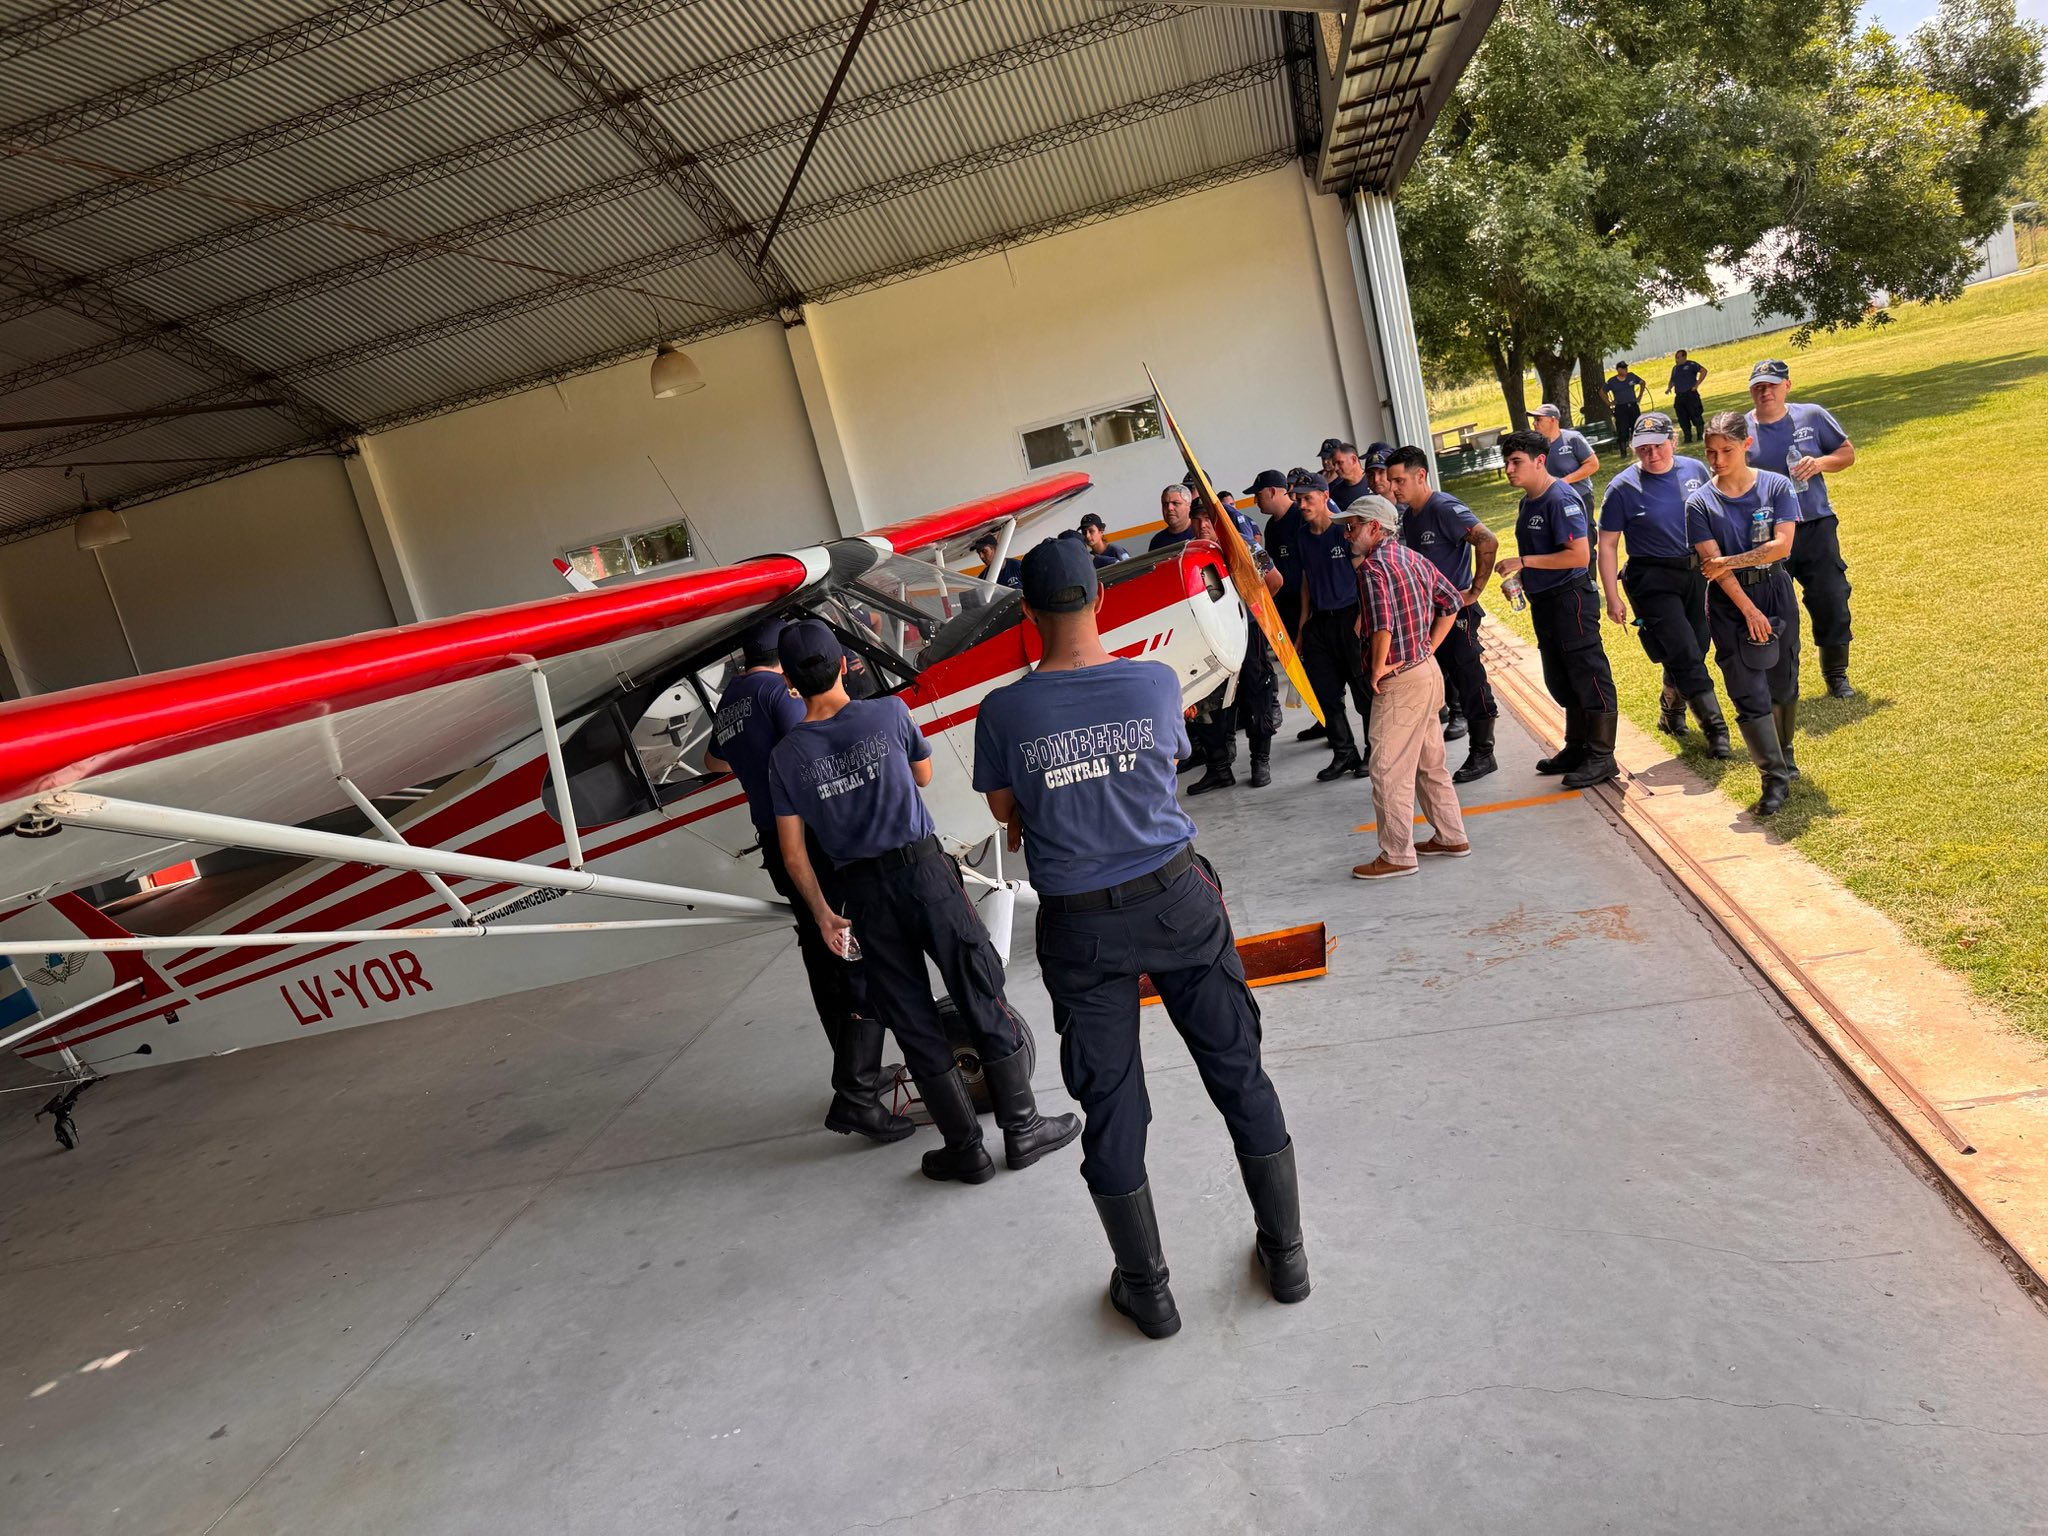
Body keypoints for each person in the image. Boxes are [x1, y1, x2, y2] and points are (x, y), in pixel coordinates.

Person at [973, 538, 1304, 1339]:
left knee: (1113, 1108)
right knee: (1240, 1075)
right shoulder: (1154, 682)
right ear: (1098, 601)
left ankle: (1147, 1292)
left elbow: (1001, 811)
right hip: (1177, 902)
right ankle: (1287, 1257)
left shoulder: (1005, 710)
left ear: (1027, 613)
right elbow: (1161, 766)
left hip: (1082, 926)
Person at [767, 619, 1079, 1183]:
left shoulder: (785, 757)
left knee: (911, 1019)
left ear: (789, 684)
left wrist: (822, 915)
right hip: (924, 873)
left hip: (861, 894)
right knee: (978, 986)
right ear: (843, 664)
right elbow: (924, 774)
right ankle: (1023, 1128)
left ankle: (967, 1149)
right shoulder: (887, 713)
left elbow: (793, 856)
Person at [701, 619, 912, 1145]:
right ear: (785, 663)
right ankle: (856, 1094)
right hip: (809, 840)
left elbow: (712, 760)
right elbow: (814, 740)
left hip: (773, 841)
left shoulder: (732, 699)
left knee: (823, 956)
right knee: (855, 949)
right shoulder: (775, 691)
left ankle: (855, 1068)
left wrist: (756, 768)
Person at [1348, 496, 1472, 879]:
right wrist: (1428, 648)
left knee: (1387, 769)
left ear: (1374, 528)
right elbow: (1452, 602)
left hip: (1402, 682)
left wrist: (1378, 668)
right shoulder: (1412, 557)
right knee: (1429, 762)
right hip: (1426, 671)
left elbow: (1383, 624)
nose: (1348, 532)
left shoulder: (1373, 568)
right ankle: (1451, 836)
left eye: (1353, 525)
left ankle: (1397, 856)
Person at [1596, 412, 1732, 759]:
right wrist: (1611, 597)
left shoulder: (1695, 471)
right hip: (1651, 579)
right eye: (1643, 448)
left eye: (1658, 446)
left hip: (1697, 573)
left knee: (1697, 647)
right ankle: (1716, 730)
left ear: (1672, 441)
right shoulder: (1622, 488)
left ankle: (1670, 711)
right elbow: (1608, 544)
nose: (1651, 454)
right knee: (1684, 650)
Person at [1687, 411, 1804, 815]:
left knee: (1784, 681)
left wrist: (1730, 561)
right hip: (1731, 603)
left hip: (1776, 589)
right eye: (1710, 453)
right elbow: (1711, 568)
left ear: (1746, 445)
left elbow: (1781, 547)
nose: (1717, 460)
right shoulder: (1699, 502)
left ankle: (1785, 757)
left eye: (1726, 451)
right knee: (1747, 688)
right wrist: (1748, 608)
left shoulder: (1777, 486)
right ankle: (1773, 777)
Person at [1497, 429, 1620, 788]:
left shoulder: (1559, 498)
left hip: (1571, 599)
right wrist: (1523, 575)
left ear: (1539, 461)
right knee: (1561, 678)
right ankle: (1577, 746)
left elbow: (1579, 556)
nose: (1509, 469)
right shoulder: (1528, 502)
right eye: (1506, 462)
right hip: (1545, 601)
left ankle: (1602, 756)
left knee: (1588, 673)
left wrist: (1524, 561)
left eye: (1516, 462)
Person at [1384, 445, 1501, 783]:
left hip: (1457, 615)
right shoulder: (1410, 515)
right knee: (1448, 680)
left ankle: (1484, 752)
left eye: (1399, 480)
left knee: (1470, 679)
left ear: (1421, 475)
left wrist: (1473, 592)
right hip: (1431, 617)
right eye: (1391, 482)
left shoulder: (1444, 507)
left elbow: (1488, 540)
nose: (1394, 488)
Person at [1744, 359, 1859, 697]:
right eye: (1758, 386)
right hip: (1766, 531)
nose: (1765, 392)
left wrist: (1820, 462)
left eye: (1772, 385)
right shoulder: (1741, 430)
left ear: (1787, 386)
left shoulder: (1811, 416)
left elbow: (1847, 453)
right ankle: (1778, 682)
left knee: (1831, 596)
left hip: (1814, 524)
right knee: (1772, 607)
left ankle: (1836, 675)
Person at [1183, 500, 1284, 793]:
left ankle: (1260, 761)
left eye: (1208, 519)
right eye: (1197, 519)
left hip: (1246, 634)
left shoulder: (1244, 545)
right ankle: (1219, 768)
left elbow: (1275, 580)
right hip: (1210, 640)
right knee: (1209, 701)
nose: (1203, 525)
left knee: (1257, 695)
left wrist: (1253, 613)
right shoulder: (1189, 553)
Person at [1291, 473, 1374, 782]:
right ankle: (1344, 753)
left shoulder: (1345, 530)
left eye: (1307, 498)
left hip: (1350, 617)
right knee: (1326, 694)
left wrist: (1363, 617)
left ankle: (1371, 752)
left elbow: (1365, 573)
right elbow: (1305, 583)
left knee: (1363, 692)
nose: (1301, 504)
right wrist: (1302, 628)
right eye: (1298, 499)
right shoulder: (1301, 536)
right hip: (1319, 623)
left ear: (1324, 496)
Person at [1530, 404, 1600, 511]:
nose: (1534, 423)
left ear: (1553, 420)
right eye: (1534, 420)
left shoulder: (1572, 438)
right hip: (1551, 501)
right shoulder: (1536, 446)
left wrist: (1565, 481)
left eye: (1538, 419)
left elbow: (1593, 464)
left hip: (1578, 497)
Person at [1602, 360, 1651, 445]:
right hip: (1621, 407)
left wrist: (1639, 396)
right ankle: (1623, 449)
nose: (1625, 370)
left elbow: (1642, 383)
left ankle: (1639, 446)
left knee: (1636, 427)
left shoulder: (1631, 376)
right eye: (1623, 368)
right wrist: (1609, 402)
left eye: (1626, 368)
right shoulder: (1612, 381)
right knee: (1622, 429)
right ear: (1618, 370)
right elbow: (1602, 391)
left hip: (1632, 405)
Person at [1667, 350, 1708, 444]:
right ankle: (1687, 437)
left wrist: (1697, 384)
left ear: (1684, 357)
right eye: (1675, 357)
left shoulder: (1691, 364)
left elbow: (1704, 371)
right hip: (1680, 396)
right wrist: (1669, 388)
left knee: (1695, 415)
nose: (1676, 359)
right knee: (1682, 417)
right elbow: (1673, 380)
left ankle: (1700, 435)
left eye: (1678, 357)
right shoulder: (1675, 368)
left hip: (1690, 394)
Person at [1318, 438, 1369, 510]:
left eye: (1340, 463)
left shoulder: (1373, 481)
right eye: (1334, 464)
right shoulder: (1336, 492)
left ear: (1353, 460)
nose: (1336, 468)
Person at [1148, 484, 1195, 551]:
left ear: (1189, 506)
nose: (1169, 508)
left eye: (1175, 503)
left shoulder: (1200, 534)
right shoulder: (1157, 542)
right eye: (1165, 504)